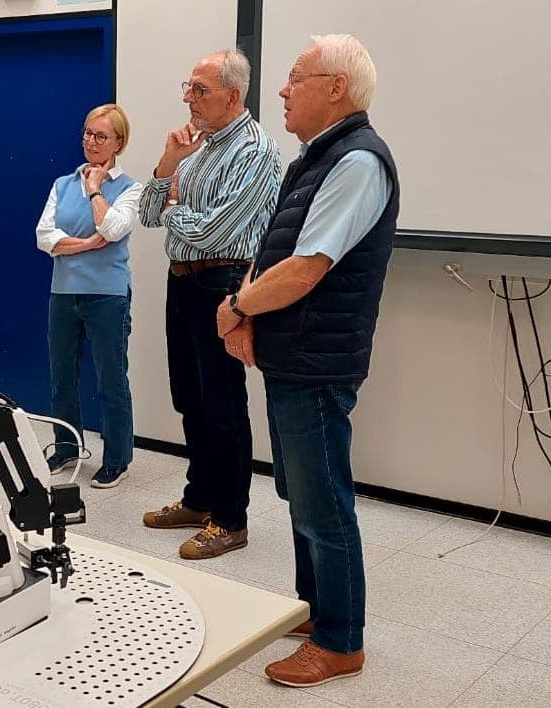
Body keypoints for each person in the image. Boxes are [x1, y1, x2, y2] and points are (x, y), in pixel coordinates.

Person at [217, 34, 397, 687]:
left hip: (317, 360)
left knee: (323, 499)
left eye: (295, 78)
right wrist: (249, 314)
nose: (283, 91)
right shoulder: (317, 158)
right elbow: (282, 252)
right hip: (296, 353)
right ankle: (316, 609)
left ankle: (339, 639)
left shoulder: (355, 162)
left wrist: (237, 306)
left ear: (335, 88)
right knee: (301, 491)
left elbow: (305, 268)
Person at [137, 50, 281, 559]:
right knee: (188, 396)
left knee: (222, 402)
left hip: (223, 282)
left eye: (199, 89)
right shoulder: (194, 148)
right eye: (188, 87)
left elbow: (215, 230)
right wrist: (166, 167)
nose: (187, 97)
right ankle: (199, 499)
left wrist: (178, 208)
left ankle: (230, 518)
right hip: (182, 280)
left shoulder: (257, 151)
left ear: (232, 95)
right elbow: (149, 214)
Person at [36, 104, 142, 489]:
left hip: (107, 296)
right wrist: (83, 245)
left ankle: (117, 456)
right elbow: (43, 237)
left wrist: (96, 190)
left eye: (100, 136)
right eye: (87, 133)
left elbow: (113, 227)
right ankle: (66, 447)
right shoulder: (62, 184)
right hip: (63, 294)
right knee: (61, 375)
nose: (90, 141)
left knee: (110, 378)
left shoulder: (131, 189)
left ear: (119, 142)